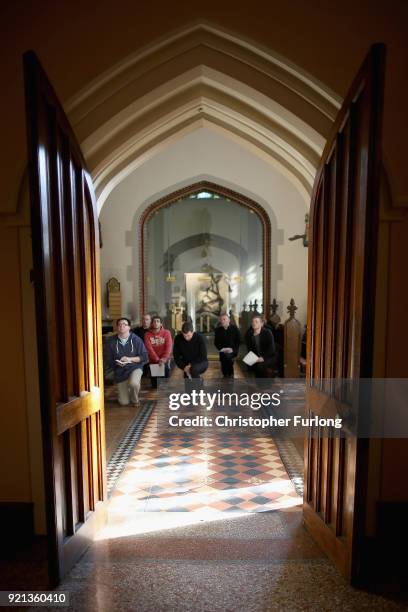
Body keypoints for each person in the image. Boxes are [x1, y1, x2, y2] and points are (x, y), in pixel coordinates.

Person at [106, 317, 148, 406]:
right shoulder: (111, 341)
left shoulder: (136, 340)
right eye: (119, 324)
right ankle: (127, 391)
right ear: (117, 327)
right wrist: (116, 363)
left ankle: (135, 399)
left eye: (124, 324)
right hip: (120, 370)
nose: (122, 326)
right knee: (124, 402)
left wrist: (129, 359)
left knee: (134, 384)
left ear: (129, 327)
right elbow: (108, 359)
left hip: (135, 367)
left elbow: (144, 356)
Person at [144, 315, 173, 388]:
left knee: (164, 384)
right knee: (155, 386)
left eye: (158, 321)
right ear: (152, 323)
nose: (156, 323)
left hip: (164, 360)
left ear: (161, 324)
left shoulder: (167, 333)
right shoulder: (147, 334)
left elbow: (169, 347)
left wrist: (164, 359)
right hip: (153, 360)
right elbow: (149, 349)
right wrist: (157, 360)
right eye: (154, 321)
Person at [214, 312, 241, 378]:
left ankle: (231, 374)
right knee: (224, 369)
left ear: (228, 320)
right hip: (223, 351)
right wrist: (221, 349)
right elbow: (216, 342)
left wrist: (233, 349)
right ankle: (226, 374)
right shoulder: (218, 330)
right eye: (221, 320)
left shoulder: (234, 328)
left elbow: (238, 341)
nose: (222, 321)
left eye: (224, 319)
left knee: (228, 357)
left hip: (233, 350)